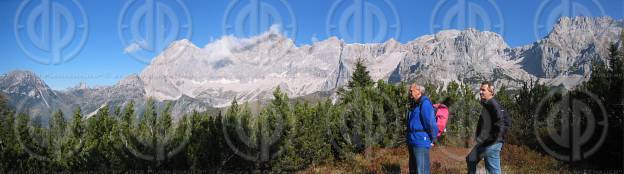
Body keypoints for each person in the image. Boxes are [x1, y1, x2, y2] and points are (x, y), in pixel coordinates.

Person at [466, 81, 511, 174]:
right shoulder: (487, 104)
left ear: (491, 91)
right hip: (485, 142)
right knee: (470, 159)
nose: (481, 92)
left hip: (492, 143)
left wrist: (495, 139)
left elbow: (504, 123)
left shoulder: (494, 105)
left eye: (483, 90)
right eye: (480, 90)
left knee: (493, 171)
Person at [407, 83, 438, 174]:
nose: (409, 92)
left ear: (418, 91)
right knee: (413, 170)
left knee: (422, 170)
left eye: (411, 90)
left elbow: (430, 123)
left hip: (421, 141)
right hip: (413, 140)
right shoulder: (416, 104)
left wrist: (433, 138)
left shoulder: (425, 103)